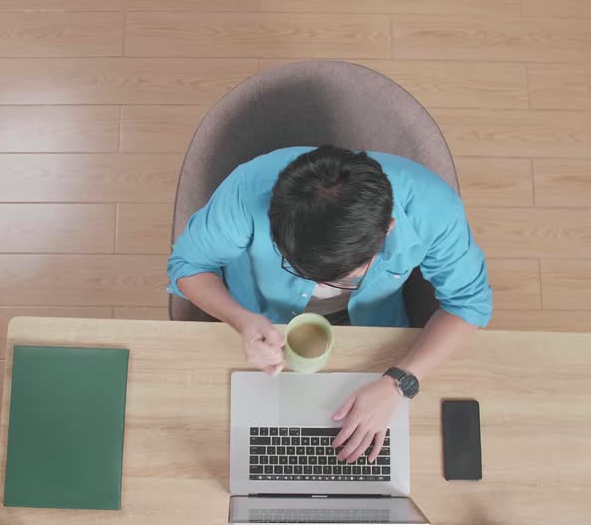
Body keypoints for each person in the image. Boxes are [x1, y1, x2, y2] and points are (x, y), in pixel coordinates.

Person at [168, 145, 492, 465]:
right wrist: (241, 319)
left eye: (337, 279)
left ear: (387, 230)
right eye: (294, 267)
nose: (319, 289)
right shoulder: (248, 190)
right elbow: (187, 266)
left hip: (374, 337)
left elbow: (469, 305)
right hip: (261, 323)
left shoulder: (434, 208)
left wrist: (399, 383)